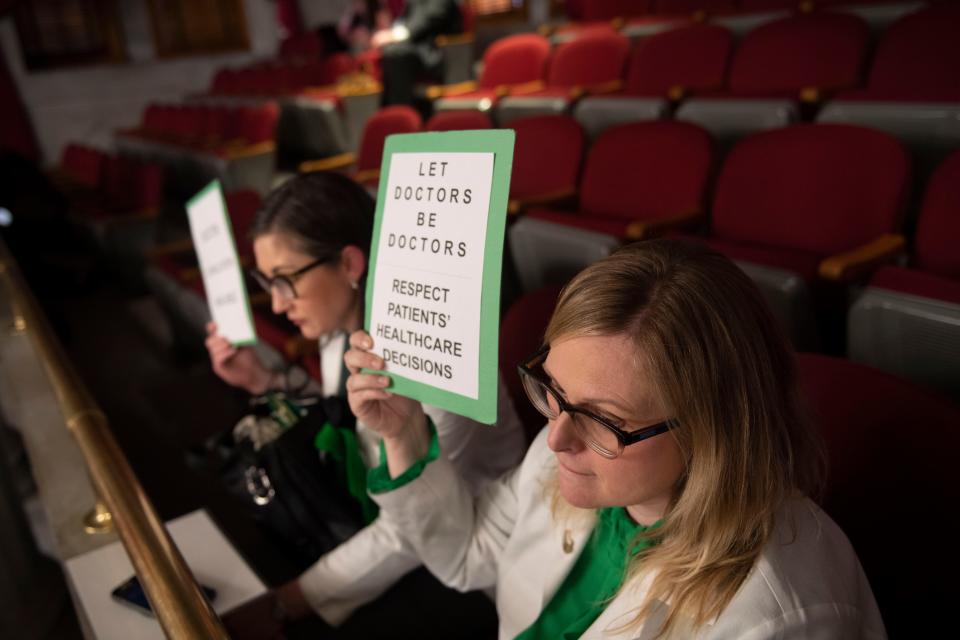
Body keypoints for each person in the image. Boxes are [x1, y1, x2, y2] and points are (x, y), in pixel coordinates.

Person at [344, 239, 887, 639]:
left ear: (713, 429)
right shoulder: (569, 452)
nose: (555, 437)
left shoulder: (780, 614)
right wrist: (403, 433)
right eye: (552, 389)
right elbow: (469, 553)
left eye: (603, 419)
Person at [204, 171, 525, 632]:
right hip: (385, 533)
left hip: (472, 570)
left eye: (285, 280)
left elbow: (412, 529)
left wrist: (290, 600)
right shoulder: (344, 324)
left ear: (350, 265)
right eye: (265, 282)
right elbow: (349, 419)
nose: (276, 304)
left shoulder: (438, 358)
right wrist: (263, 380)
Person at [368, 0, 463, 105]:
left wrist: (392, 35)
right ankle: (391, 109)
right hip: (416, 47)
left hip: (437, 51)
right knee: (388, 50)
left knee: (395, 53)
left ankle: (402, 109)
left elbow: (424, 23)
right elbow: (405, 20)